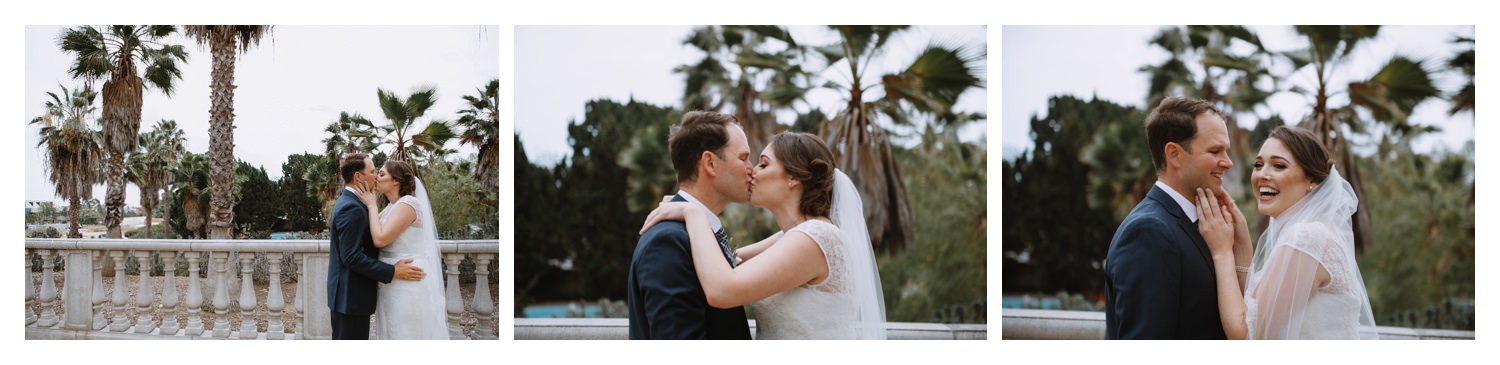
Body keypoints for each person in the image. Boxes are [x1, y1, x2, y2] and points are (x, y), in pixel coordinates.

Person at [640, 132, 886, 340]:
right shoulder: (789, 236)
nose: (751, 172)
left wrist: (693, 213)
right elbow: (727, 260)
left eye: (763, 164)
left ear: (793, 178)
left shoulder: (815, 238)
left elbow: (723, 290)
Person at [1196, 126, 1378, 339]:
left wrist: (1222, 252)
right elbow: (1261, 309)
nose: (1263, 174)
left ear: (1312, 181)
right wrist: (1242, 246)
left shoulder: (1307, 237)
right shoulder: (1316, 232)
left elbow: (1248, 336)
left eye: (1279, 166)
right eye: (1258, 164)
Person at [1104, 96, 1246, 339]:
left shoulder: (1207, 227)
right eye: (1215, 151)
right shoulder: (1148, 232)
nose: (1228, 162)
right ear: (1175, 155)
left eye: (1227, 151)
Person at [627, 111, 755, 340]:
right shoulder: (667, 242)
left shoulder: (695, 232)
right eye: (743, 158)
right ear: (710, 163)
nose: (751, 168)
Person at [327, 152, 424, 340]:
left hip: (353, 298)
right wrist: (392, 271)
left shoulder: (358, 204)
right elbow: (352, 256)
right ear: (358, 176)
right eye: (373, 172)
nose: (375, 177)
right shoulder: (352, 207)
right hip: (350, 299)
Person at [355, 159, 449, 340]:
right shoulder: (391, 207)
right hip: (392, 280)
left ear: (396, 180)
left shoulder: (408, 204)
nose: (376, 178)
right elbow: (370, 231)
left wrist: (372, 204)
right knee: (393, 331)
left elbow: (381, 239)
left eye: (381, 174)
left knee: (407, 332)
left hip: (408, 281)